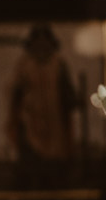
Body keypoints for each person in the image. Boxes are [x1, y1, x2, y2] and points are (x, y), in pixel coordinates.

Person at [7, 24, 78, 188]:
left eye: (44, 41)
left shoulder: (58, 64)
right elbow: (16, 93)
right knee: (31, 155)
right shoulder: (24, 64)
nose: (41, 46)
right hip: (31, 118)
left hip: (54, 120)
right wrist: (15, 118)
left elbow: (67, 90)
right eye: (37, 42)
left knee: (55, 156)